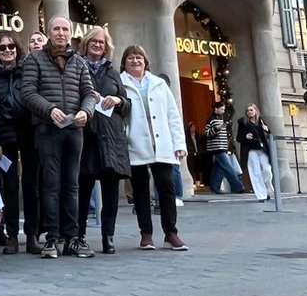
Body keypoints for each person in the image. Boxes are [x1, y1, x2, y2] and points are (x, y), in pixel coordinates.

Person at [20, 15, 97, 259]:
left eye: (65, 29)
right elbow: (28, 93)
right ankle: (53, 238)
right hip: (48, 130)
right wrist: (49, 109)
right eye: (56, 29)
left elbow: (89, 93)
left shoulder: (80, 63)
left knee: (72, 186)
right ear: (48, 32)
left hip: (74, 130)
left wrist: (86, 111)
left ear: (71, 33)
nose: (61, 33)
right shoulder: (35, 59)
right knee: (51, 186)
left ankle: (73, 237)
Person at [119, 45, 188, 250]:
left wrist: (179, 144)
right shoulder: (120, 83)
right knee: (140, 191)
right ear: (124, 62)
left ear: (145, 61)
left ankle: (171, 233)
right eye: (130, 58)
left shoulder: (159, 84)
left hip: (162, 144)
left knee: (167, 188)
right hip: (136, 144)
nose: (135, 61)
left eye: (139, 57)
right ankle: (146, 234)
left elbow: (173, 115)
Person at [76, 26, 131, 255]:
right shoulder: (77, 66)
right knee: (82, 188)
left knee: (110, 190)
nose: (98, 45)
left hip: (110, 136)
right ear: (86, 44)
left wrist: (117, 100)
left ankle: (108, 236)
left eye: (101, 42)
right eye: (94, 41)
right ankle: (78, 235)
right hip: (87, 135)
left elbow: (128, 105)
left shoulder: (113, 72)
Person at [0, 30, 31, 254]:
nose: (8, 50)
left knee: (32, 187)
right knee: (9, 189)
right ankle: (11, 236)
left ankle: (32, 235)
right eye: (2, 47)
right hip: (4, 142)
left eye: (11, 47)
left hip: (29, 138)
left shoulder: (28, 73)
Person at [205, 103, 245, 194]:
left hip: (223, 146)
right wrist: (216, 129)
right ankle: (237, 186)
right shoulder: (211, 120)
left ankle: (214, 187)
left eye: (224, 109)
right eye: (221, 109)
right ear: (216, 109)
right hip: (217, 147)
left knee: (218, 167)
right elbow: (207, 133)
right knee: (228, 166)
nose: (223, 111)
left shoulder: (223, 119)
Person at [237, 103, 274, 202]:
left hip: (262, 150)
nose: (249, 112)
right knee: (256, 172)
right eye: (248, 110)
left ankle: (266, 188)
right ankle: (261, 195)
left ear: (256, 111)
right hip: (251, 150)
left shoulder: (261, 121)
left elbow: (269, 134)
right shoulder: (243, 123)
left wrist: (267, 130)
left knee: (267, 171)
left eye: (251, 110)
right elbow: (239, 138)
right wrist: (246, 137)